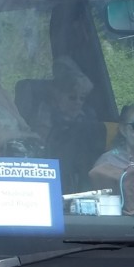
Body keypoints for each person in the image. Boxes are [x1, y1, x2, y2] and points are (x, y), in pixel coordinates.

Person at [30, 56, 106, 194]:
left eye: (82, 98)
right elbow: (42, 144)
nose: (78, 102)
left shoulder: (87, 118)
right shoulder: (46, 115)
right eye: (72, 97)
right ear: (57, 96)